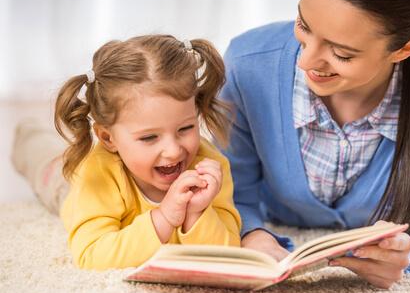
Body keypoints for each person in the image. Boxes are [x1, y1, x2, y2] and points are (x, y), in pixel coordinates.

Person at [220, 0, 410, 289]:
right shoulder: (248, 64)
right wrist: (251, 233)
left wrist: (407, 253)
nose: (306, 61)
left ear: (405, 49)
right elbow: (232, 189)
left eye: (341, 53)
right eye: (303, 25)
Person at [11, 35, 241, 270]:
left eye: (186, 128)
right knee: (47, 165)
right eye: (149, 137)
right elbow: (92, 255)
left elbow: (229, 254)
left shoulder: (210, 166)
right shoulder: (95, 173)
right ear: (108, 138)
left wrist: (197, 213)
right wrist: (164, 218)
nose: (173, 151)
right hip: (70, 186)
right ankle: (28, 133)